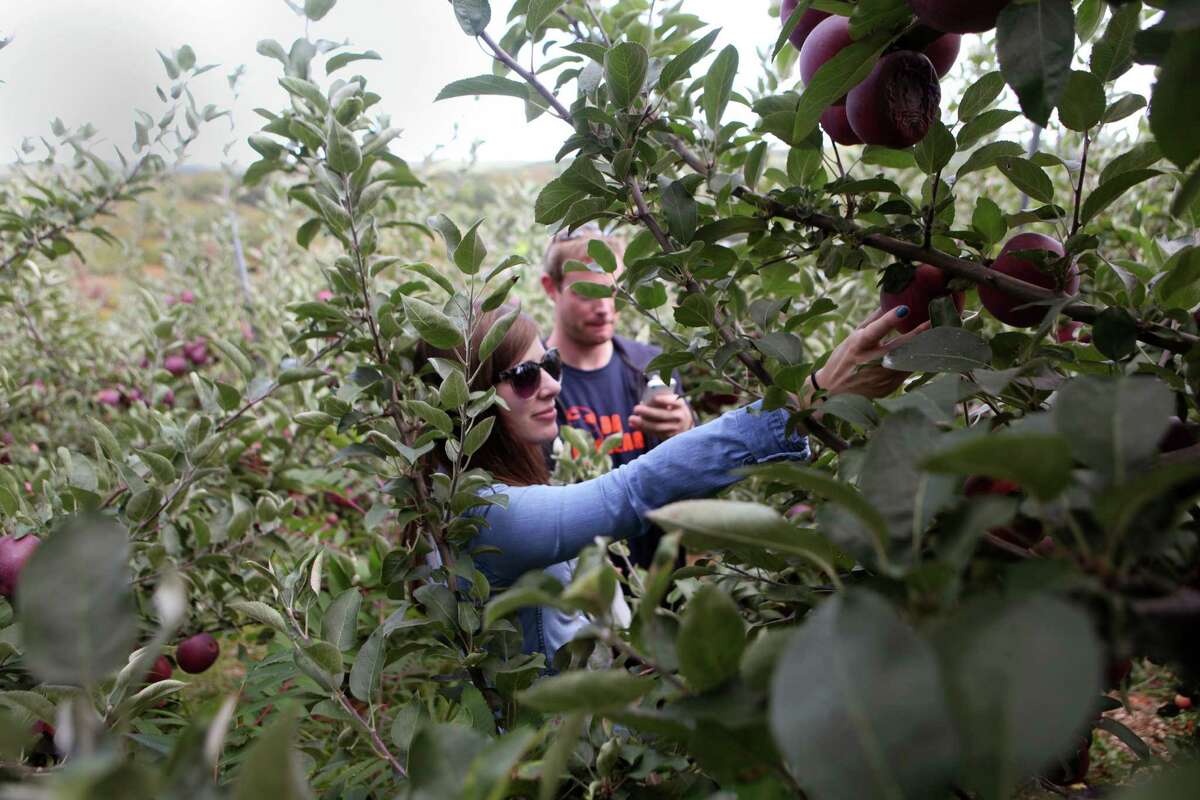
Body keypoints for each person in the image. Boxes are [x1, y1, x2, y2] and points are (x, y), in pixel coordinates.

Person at [419, 302, 926, 667]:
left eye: (549, 364)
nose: (553, 383)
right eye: (526, 375)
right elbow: (630, 491)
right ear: (469, 399)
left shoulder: (469, 485)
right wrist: (808, 399)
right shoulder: (483, 514)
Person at [540, 227, 695, 569]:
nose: (604, 308)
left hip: (659, 584)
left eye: (612, 291)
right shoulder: (534, 381)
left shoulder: (651, 367)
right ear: (551, 288)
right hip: (577, 590)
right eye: (587, 293)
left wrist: (685, 431)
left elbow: (689, 482)